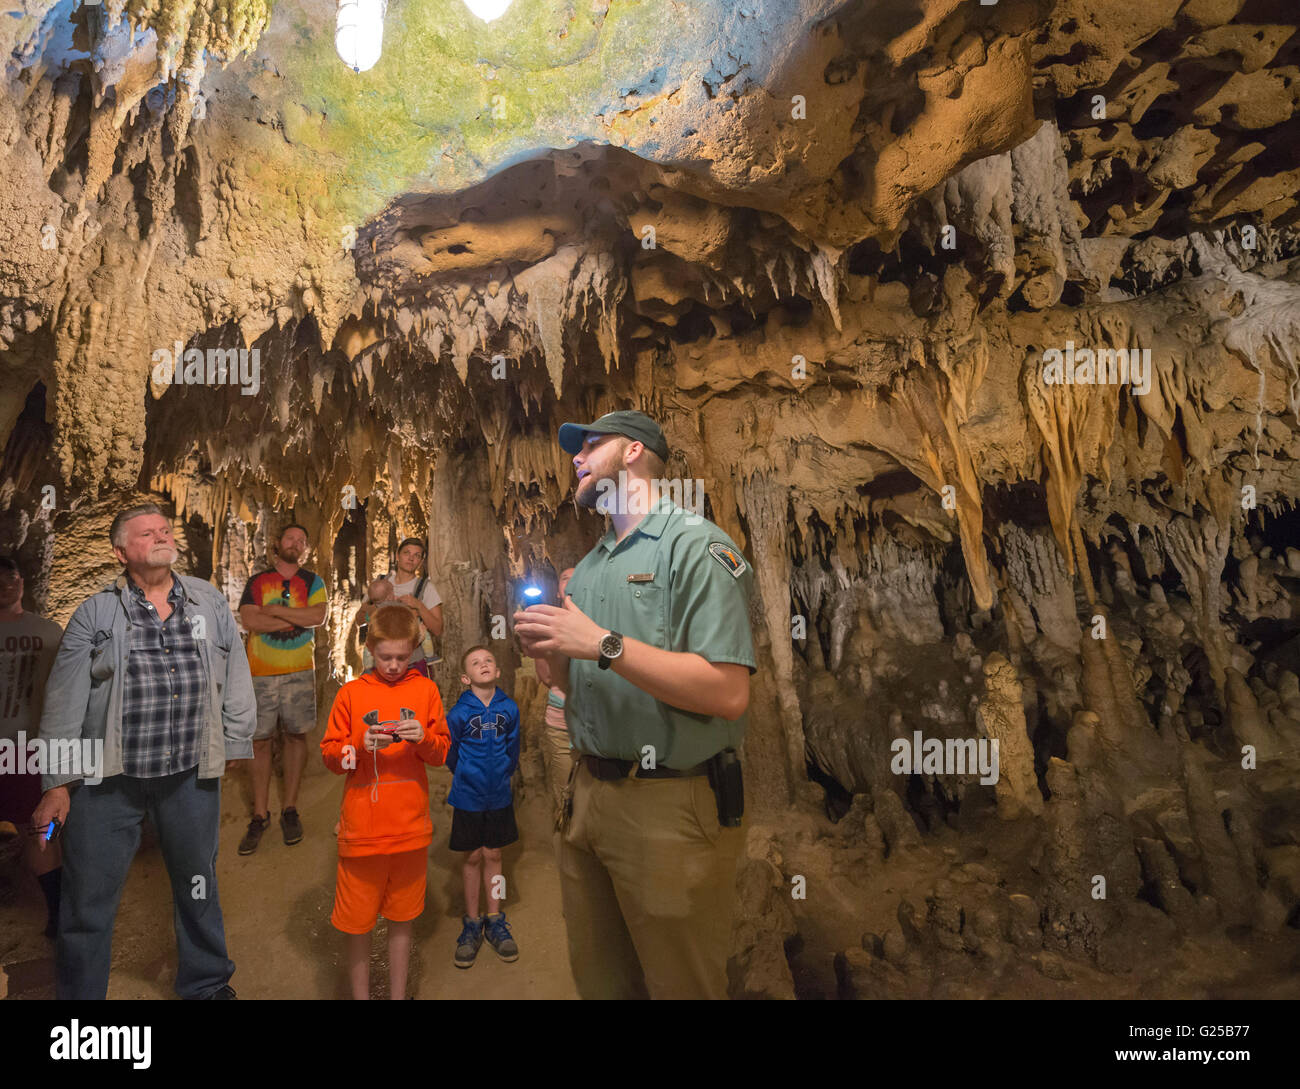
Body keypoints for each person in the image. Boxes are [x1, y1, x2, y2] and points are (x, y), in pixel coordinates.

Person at [515, 410, 756, 1000]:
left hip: (670, 804)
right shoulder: (593, 566)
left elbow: (728, 692)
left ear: (632, 453)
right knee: (602, 980)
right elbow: (581, 685)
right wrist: (550, 656)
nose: (576, 455)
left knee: (681, 985)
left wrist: (599, 643)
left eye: (591, 444)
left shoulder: (696, 547)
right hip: (589, 796)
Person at [32, 503, 255, 999]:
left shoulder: (208, 602)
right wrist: (57, 785)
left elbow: (234, 669)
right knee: (87, 900)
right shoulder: (97, 612)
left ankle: (207, 982)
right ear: (120, 552)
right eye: (146, 533)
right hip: (106, 781)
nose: (162, 537)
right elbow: (64, 701)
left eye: (165, 530)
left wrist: (237, 737)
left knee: (198, 885)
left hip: (189, 775)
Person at [320, 604, 449, 1000]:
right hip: (363, 832)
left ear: (414, 650)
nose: (393, 665)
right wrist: (357, 746)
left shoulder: (425, 690)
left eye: (402, 657)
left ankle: (397, 994)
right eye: (385, 656)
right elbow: (331, 757)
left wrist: (423, 739)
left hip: (410, 830)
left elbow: (441, 753)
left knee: (402, 919)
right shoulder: (351, 694)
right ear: (370, 647)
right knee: (357, 924)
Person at [236, 523, 328, 854]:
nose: (295, 543)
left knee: (295, 736)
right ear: (279, 543)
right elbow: (251, 621)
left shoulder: (313, 581)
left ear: (305, 548)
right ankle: (260, 815)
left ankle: (290, 808)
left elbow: (318, 616)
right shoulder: (257, 581)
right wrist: (294, 618)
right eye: (290, 538)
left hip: (300, 671)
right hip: (260, 672)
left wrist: (274, 611)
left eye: (301, 540)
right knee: (259, 742)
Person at [445, 645, 521, 969]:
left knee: (494, 854)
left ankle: (495, 918)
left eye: (489, 660)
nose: (484, 664)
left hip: (499, 794)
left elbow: (514, 748)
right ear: (466, 677)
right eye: (476, 663)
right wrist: (464, 775)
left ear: (498, 670)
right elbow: (451, 752)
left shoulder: (509, 709)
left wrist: (503, 774)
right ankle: (472, 922)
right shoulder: (460, 713)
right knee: (473, 855)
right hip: (468, 796)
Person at [0, 554, 64, 937]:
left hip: (29, 745)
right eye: (0, 578)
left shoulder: (49, 632)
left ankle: (57, 909)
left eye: (12, 576)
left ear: (22, 582)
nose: (7, 583)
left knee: (39, 826)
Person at [533, 567, 576, 820]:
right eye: (564, 578)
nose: (570, 582)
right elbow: (547, 677)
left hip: (597, 721)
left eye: (576, 577)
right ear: (558, 591)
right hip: (561, 718)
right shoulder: (546, 624)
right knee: (565, 790)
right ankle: (566, 842)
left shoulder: (603, 620)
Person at [384, 537, 444, 675]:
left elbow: (438, 629)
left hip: (412, 663)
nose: (411, 558)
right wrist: (381, 607)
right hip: (381, 661)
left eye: (417, 556)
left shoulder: (426, 588)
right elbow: (360, 618)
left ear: (421, 562)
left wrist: (419, 606)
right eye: (407, 553)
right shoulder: (381, 583)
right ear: (397, 556)